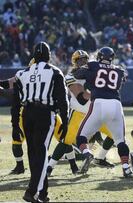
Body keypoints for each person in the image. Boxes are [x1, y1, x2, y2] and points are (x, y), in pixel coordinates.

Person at [11, 41, 69, 202]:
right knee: (42, 152)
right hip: (44, 113)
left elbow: (15, 104)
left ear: (34, 57)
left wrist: (15, 125)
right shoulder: (54, 71)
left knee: (33, 152)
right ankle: (32, 191)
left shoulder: (22, 74)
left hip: (27, 114)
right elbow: (63, 100)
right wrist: (65, 121)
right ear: (49, 56)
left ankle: (42, 193)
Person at [73, 47, 133, 178]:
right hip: (116, 105)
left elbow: (77, 74)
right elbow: (122, 79)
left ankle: (87, 153)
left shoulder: (93, 64)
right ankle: (126, 168)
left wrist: (86, 74)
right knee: (121, 140)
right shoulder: (119, 69)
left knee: (81, 137)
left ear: (100, 56)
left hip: (99, 103)